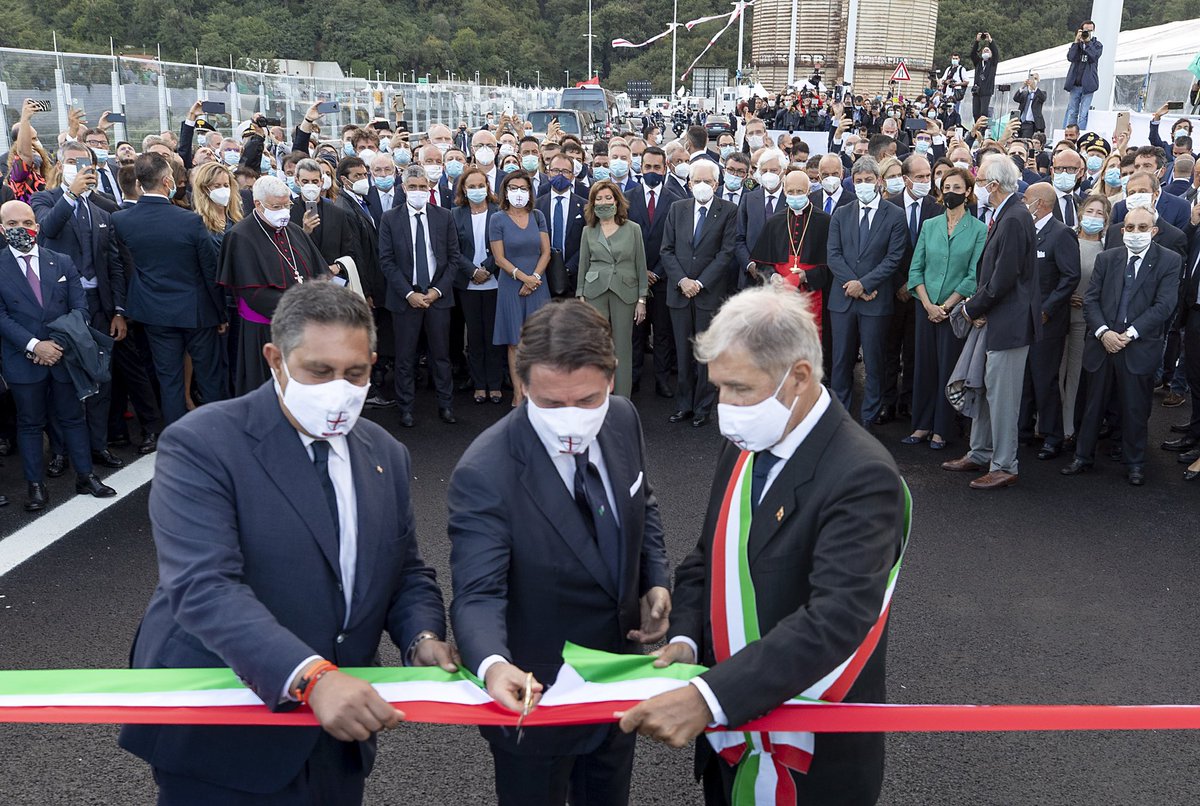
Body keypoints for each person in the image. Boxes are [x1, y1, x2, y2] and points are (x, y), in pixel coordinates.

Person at [118, 282, 456, 804]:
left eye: (356, 373)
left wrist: (423, 638)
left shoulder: (383, 451)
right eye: (318, 371)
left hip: (334, 737)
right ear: (275, 359)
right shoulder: (202, 442)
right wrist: (313, 679)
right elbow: (204, 587)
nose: (339, 389)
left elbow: (404, 570)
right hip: (223, 735)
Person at [617, 286, 906, 806]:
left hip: (809, 757)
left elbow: (836, 618)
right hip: (732, 741)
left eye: (739, 388)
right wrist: (685, 640)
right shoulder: (752, 439)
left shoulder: (862, 475)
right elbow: (707, 556)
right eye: (719, 388)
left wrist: (708, 698)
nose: (725, 409)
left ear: (798, 376)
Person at [449, 300, 669, 806]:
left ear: (612, 381)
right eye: (550, 404)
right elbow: (477, 594)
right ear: (522, 384)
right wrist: (492, 665)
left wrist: (654, 580)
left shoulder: (621, 419)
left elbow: (643, 500)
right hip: (534, 700)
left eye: (587, 400)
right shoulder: (485, 471)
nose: (571, 420)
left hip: (614, 681)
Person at [0, 199, 117, 511]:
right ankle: (35, 486)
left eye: (25, 223)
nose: (20, 229)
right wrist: (34, 345)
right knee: (30, 424)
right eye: (12, 225)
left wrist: (56, 344)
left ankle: (85, 476)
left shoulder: (61, 261)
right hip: (23, 360)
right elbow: (1, 317)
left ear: (36, 226)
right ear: (2, 229)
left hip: (64, 356)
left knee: (73, 418)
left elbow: (80, 308)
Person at [1061, 207, 1181, 485]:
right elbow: (1091, 300)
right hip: (1102, 344)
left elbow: (1164, 305)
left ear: (1153, 231)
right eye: (1129, 227)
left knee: (1135, 409)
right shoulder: (1107, 258)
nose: (1135, 233)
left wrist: (1129, 334)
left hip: (1137, 347)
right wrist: (1104, 333)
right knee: (1091, 406)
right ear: (1121, 230)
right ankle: (1082, 456)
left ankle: (1135, 463)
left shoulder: (1168, 261)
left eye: (1141, 228)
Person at [942, 155, 1040, 489]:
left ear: (993, 186)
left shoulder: (1013, 218)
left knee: (1002, 398)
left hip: (1008, 324)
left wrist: (970, 308)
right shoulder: (1007, 214)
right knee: (983, 389)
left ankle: (1004, 464)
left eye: (980, 180)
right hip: (996, 318)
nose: (977, 186)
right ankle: (980, 452)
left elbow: (1004, 278)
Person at [30, 142, 130, 470]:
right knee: (63, 380)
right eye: (72, 161)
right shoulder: (45, 199)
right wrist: (69, 195)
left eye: (84, 162)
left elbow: (113, 264)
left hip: (98, 307)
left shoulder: (101, 210)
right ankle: (61, 451)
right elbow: (47, 229)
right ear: (60, 164)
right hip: (60, 308)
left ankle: (98, 445)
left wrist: (118, 310)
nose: (78, 167)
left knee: (101, 377)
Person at [112, 152, 226, 424]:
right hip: (197, 311)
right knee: (210, 377)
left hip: (154, 312)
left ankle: (176, 438)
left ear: (139, 184)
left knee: (169, 380)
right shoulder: (190, 220)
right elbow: (210, 270)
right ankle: (220, 433)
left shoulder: (122, 220)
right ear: (167, 181)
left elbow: (120, 267)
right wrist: (221, 314)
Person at [218, 175, 329, 396]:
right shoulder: (240, 236)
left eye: (286, 205)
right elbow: (252, 293)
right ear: (258, 204)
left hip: (303, 326)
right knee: (270, 390)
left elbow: (320, 272)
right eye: (276, 206)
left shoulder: (294, 231)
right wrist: (300, 307)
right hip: (265, 330)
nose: (283, 211)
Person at [826, 155, 909, 430]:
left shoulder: (895, 216)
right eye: (858, 180)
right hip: (843, 300)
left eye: (868, 180)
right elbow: (834, 255)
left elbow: (894, 258)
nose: (863, 185)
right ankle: (840, 419)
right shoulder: (841, 213)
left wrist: (865, 284)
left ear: (879, 182)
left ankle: (868, 420)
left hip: (876, 302)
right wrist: (854, 285)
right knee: (840, 363)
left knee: (874, 363)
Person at [906, 167, 984, 450]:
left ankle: (942, 429)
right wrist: (928, 304)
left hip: (955, 311)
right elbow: (916, 269)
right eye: (946, 187)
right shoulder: (930, 225)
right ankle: (921, 425)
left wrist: (947, 306)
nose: (951, 192)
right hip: (925, 307)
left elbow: (974, 275)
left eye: (957, 187)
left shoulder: (979, 229)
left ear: (968, 192)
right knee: (924, 366)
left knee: (948, 368)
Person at [379, 164, 461, 428]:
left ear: (429, 188)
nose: (418, 191)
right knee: (405, 357)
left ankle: (446, 406)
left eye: (422, 187)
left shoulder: (444, 216)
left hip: (437, 297)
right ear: (403, 188)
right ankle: (406, 408)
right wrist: (408, 294)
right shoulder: (390, 218)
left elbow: (453, 259)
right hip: (406, 299)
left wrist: (436, 291)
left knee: (441, 356)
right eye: (412, 187)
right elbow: (387, 261)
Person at [659, 160, 738, 428]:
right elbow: (666, 250)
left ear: (717, 184)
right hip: (679, 292)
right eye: (697, 181)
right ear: (689, 183)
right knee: (682, 352)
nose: (702, 186)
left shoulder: (728, 210)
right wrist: (682, 280)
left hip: (708, 293)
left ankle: (703, 406)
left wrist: (700, 283)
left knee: (705, 353)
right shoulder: (677, 208)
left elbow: (726, 253)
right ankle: (684, 405)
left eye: (708, 181)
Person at [1017, 183, 1081, 461]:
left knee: (1045, 380)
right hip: (1021, 318)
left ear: (1040, 203)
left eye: (1026, 199)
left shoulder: (1061, 233)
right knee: (1024, 379)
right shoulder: (1025, 230)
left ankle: (1053, 436)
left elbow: (1070, 277)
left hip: (1047, 321)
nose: (1023, 203)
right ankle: (1023, 432)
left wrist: (1048, 309)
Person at [575, 180, 647, 398]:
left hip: (625, 292)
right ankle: (597, 396)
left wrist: (642, 299)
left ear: (617, 200)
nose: (604, 202)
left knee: (623, 347)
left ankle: (622, 399)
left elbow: (640, 264)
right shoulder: (588, 231)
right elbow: (583, 264)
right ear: (592, 203)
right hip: (594, 291)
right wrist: (580, 295)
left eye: (608, 198)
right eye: (599, 198)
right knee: (597, 346)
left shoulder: (633, 229)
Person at [627, 146, 682, 398]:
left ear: (665, 168)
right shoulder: (626, 199)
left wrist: (657, 272)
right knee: (635, 333)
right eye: (647, 167)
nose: (651, 172)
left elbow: (676, 243)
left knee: (662, 332)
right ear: (640, 167)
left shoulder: (676, 201)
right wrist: (641, 271)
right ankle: (633, 377)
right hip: (633, 278)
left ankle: (661, 380)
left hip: (663, 278)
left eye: (656, 167)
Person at [492, 170, 551, 406]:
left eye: (523, 188)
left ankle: (537, 391)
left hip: (538, 284)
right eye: (513, 188)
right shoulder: (497, 219)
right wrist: (522, 277)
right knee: (515, 342)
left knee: (538, 341)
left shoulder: (537, 216)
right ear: (505, 191)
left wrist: (534, 278)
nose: (519, 193)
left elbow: (546, 251)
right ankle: (518, 393)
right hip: (511, 286)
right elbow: (499, 258)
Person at [1060, 194, 1110, 449]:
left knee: (1075, 375)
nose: (1093, 216)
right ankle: (1048, 425)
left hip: (1085, 321)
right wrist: (1065, 295)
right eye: (1090, 210)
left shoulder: (1107, 250)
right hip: (1058, 315)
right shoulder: (1066, 239)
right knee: (1055, 373)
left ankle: (1069, 427)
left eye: (1099, 213)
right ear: (1080, 213)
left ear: (1106, 220)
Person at [453, 165, 505, 405]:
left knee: (494, 335)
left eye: (480, 185)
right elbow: (452, 250)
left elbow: (503, 246)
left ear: (487, 187)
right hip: (468, 284)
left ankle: (494, 384)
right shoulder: (455, 214)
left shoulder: (498, 211)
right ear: (464, 189)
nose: (476, 190)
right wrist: (473, 271)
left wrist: (487, 267)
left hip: (494, 282)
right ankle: (479, 383)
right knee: (474, 337)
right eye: (471, 186)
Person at [536, 154, 587, 297]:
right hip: (543, 277)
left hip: (574, 278)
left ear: (572, 175)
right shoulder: (537, 206)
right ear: (548, 173)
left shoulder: (584, 206)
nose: (560, 175)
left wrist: (569, 269)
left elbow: (587, 242)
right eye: (556, 170)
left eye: (565, 171)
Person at [1063, 20, 1102, 130]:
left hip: (1088, 85)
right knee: (1072, 112)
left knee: (1083, 113)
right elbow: (1071, 57)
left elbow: (1094, 57)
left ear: (1093, 31)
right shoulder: (1077, 45)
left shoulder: (1097, 45)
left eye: (1090, 30)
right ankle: (1070, 133)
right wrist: (1076, 42)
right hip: (1075, 84)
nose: (1087, 33)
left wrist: (1088, 43)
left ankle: (1080, 135)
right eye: (1085, 30)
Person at [969, 33, 1000, 122]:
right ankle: (977, 128)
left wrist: (990, 41)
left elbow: (996, 53)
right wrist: (977, 41)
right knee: (975, 113)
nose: (985, 52)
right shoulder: (979, 63)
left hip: (986, 92)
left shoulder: (992, 63)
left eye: (987, 51)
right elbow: (972, 54)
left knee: (984, 112)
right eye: (984, 51)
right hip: (976, 91)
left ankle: (985, 129)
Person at [1013, 73, 1046, 138]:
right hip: (1021, 122)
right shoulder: (1024, 94)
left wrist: (1034, 87)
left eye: (1035, 79)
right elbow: (1015, 98)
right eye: (1032, 79)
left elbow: (1043, 98)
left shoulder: (1041, 93)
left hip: (1030, 123)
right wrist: (1023, 86)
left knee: (1025, 140)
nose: (1033, 80)